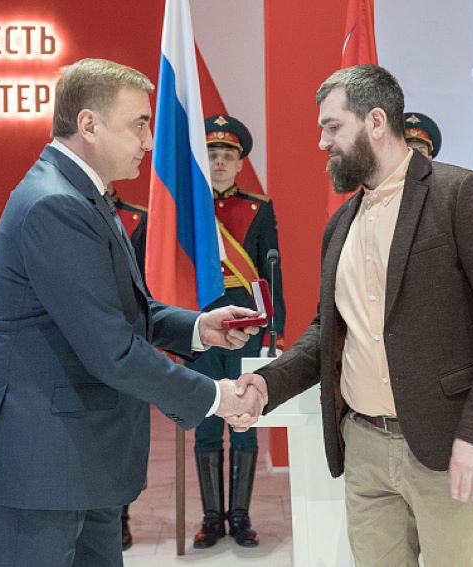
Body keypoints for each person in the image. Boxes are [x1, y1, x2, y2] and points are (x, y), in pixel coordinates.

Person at [235, 64, 473, 567]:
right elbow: (327, 330)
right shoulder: (340, 224)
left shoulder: (461, 193)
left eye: (333, 126)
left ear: (376, 121)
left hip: (450, 445)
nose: (322, 142)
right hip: (364, 448)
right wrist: (267, 384)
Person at [0, 58, 264, 567]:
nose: (148, 141)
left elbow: (122, 309)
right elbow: (111, 348)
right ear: (89, 124)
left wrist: (198, 327)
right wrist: (215, 396)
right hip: (41, 468)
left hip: (82, 459)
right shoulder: (54, 203)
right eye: (138, 125)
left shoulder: (82, 194)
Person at [190, 114, 285, 549]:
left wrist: (275, 331)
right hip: (200, 330)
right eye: (212, 154)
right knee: (207, 424)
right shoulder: (188, 208)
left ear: (240, 162)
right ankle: (212, 518)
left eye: (228, 155)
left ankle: (241, 517)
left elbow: (271, 272)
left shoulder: (257, 208)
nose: (220, 162)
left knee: (245, 422)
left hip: (247, 330)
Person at [109, 185, 148, 550]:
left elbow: (146, 291)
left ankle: (120, 516)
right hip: (89, 341)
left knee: (127, 431)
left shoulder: (138, 219)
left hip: (130, 340)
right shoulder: (62, 209)